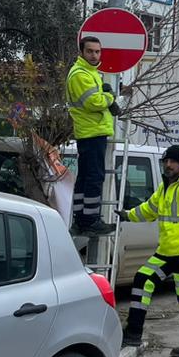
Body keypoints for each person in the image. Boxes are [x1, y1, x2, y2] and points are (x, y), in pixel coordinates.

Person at [119, 144, 179, 357]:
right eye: (165, 161)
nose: (168, 165)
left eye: (172, 161)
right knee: (143, 279)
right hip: (169, 251)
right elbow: (149, 209)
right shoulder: (166, 187)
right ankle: (133, 331)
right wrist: (127, 215)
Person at [65, 37, 119, 236]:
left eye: (97, 51)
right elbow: (93, 102)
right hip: (92, 131)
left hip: (90, 131)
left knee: (86, 177)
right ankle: (90, 220)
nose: (94, 55)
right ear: (82, 52)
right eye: (90, 51)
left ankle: (82, 219)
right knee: (94, 177)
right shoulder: (81, 74)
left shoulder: (90, 73)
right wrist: (110, 97)